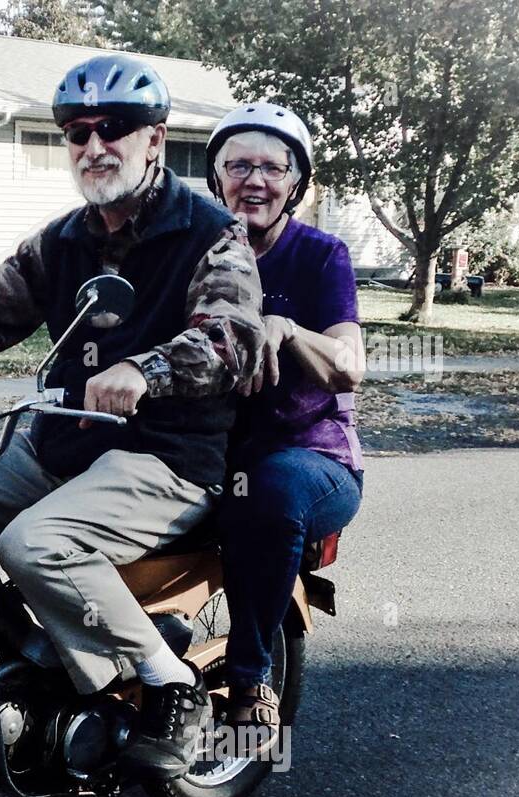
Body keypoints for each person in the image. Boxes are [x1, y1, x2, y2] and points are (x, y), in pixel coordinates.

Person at [0, 56, 267, 780]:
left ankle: (170, 684)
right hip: (64, 442)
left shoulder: (213, 235)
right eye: (77, 132)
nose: (94, 145)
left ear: (155, 138)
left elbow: (231, 341)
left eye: (116, 128)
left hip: (164, 455)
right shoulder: (65, 238)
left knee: (38, 545)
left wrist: (146, 369)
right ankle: (17, 668)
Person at [204, 103, 366, 756]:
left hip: (312, 456)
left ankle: (249, 683)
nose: (254, 178)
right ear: (217, 180)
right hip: (214, 449)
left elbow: (349, 368)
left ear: (295, 183)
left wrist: (288, 330)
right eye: (237, 164)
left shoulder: (321, 256)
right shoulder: (197, 250)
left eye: (272, 165)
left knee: (266, 490)